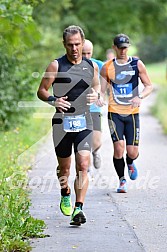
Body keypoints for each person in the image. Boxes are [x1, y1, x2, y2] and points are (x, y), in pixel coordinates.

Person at [37, 25, 100, 225]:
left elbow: (97, 85)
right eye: (70, 45)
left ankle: (78, 208)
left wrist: (95, 94)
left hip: (85, 120)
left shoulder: (91, 66)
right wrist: (54, 100)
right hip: (61, 124)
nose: (74, 48)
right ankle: (65, 192)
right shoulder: (56, 66)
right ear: (64, 44)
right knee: (64, 169)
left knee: (83, 165)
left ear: (83, 43)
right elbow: (42, 91)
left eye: (77, 44)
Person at [100, 33, 153, 193]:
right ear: (114, 48)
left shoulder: (137, 64)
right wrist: (99, 98)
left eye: (125, 48)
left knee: (132, 152)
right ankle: (122, 180)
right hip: (114, 113)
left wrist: (140, 96)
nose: (123, 51)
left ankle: (130, 162)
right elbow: (101, 91)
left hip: (132, 113)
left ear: (128, 47)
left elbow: (149, 86)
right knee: (118, 148)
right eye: (120, 48)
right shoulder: (108, 67)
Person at [82, 39, 104, 169]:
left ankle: (96, 152)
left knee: (96, 141)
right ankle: (85, 168)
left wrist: (101, 96)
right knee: (83, 142)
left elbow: (105, 85)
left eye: (88, 53)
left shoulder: (98, 65)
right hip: (79, 110)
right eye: (83, 53)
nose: (86, 57)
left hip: (94, 108)